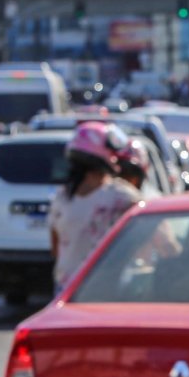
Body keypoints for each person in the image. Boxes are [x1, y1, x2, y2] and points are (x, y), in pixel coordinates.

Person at [48, 121, 145, 291]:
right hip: (104, 290)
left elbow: (55, 249)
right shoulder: (121, 197)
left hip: (66, 289)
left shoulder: (61, 198)